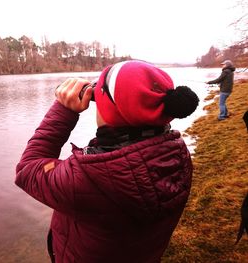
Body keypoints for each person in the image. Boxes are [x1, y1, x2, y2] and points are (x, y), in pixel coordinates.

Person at [15, 60, 199, 263]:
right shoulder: (177, 151)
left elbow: (28, 169)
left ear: (111, 114)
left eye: (98, 94)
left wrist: (63, 110)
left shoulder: (90, 177)